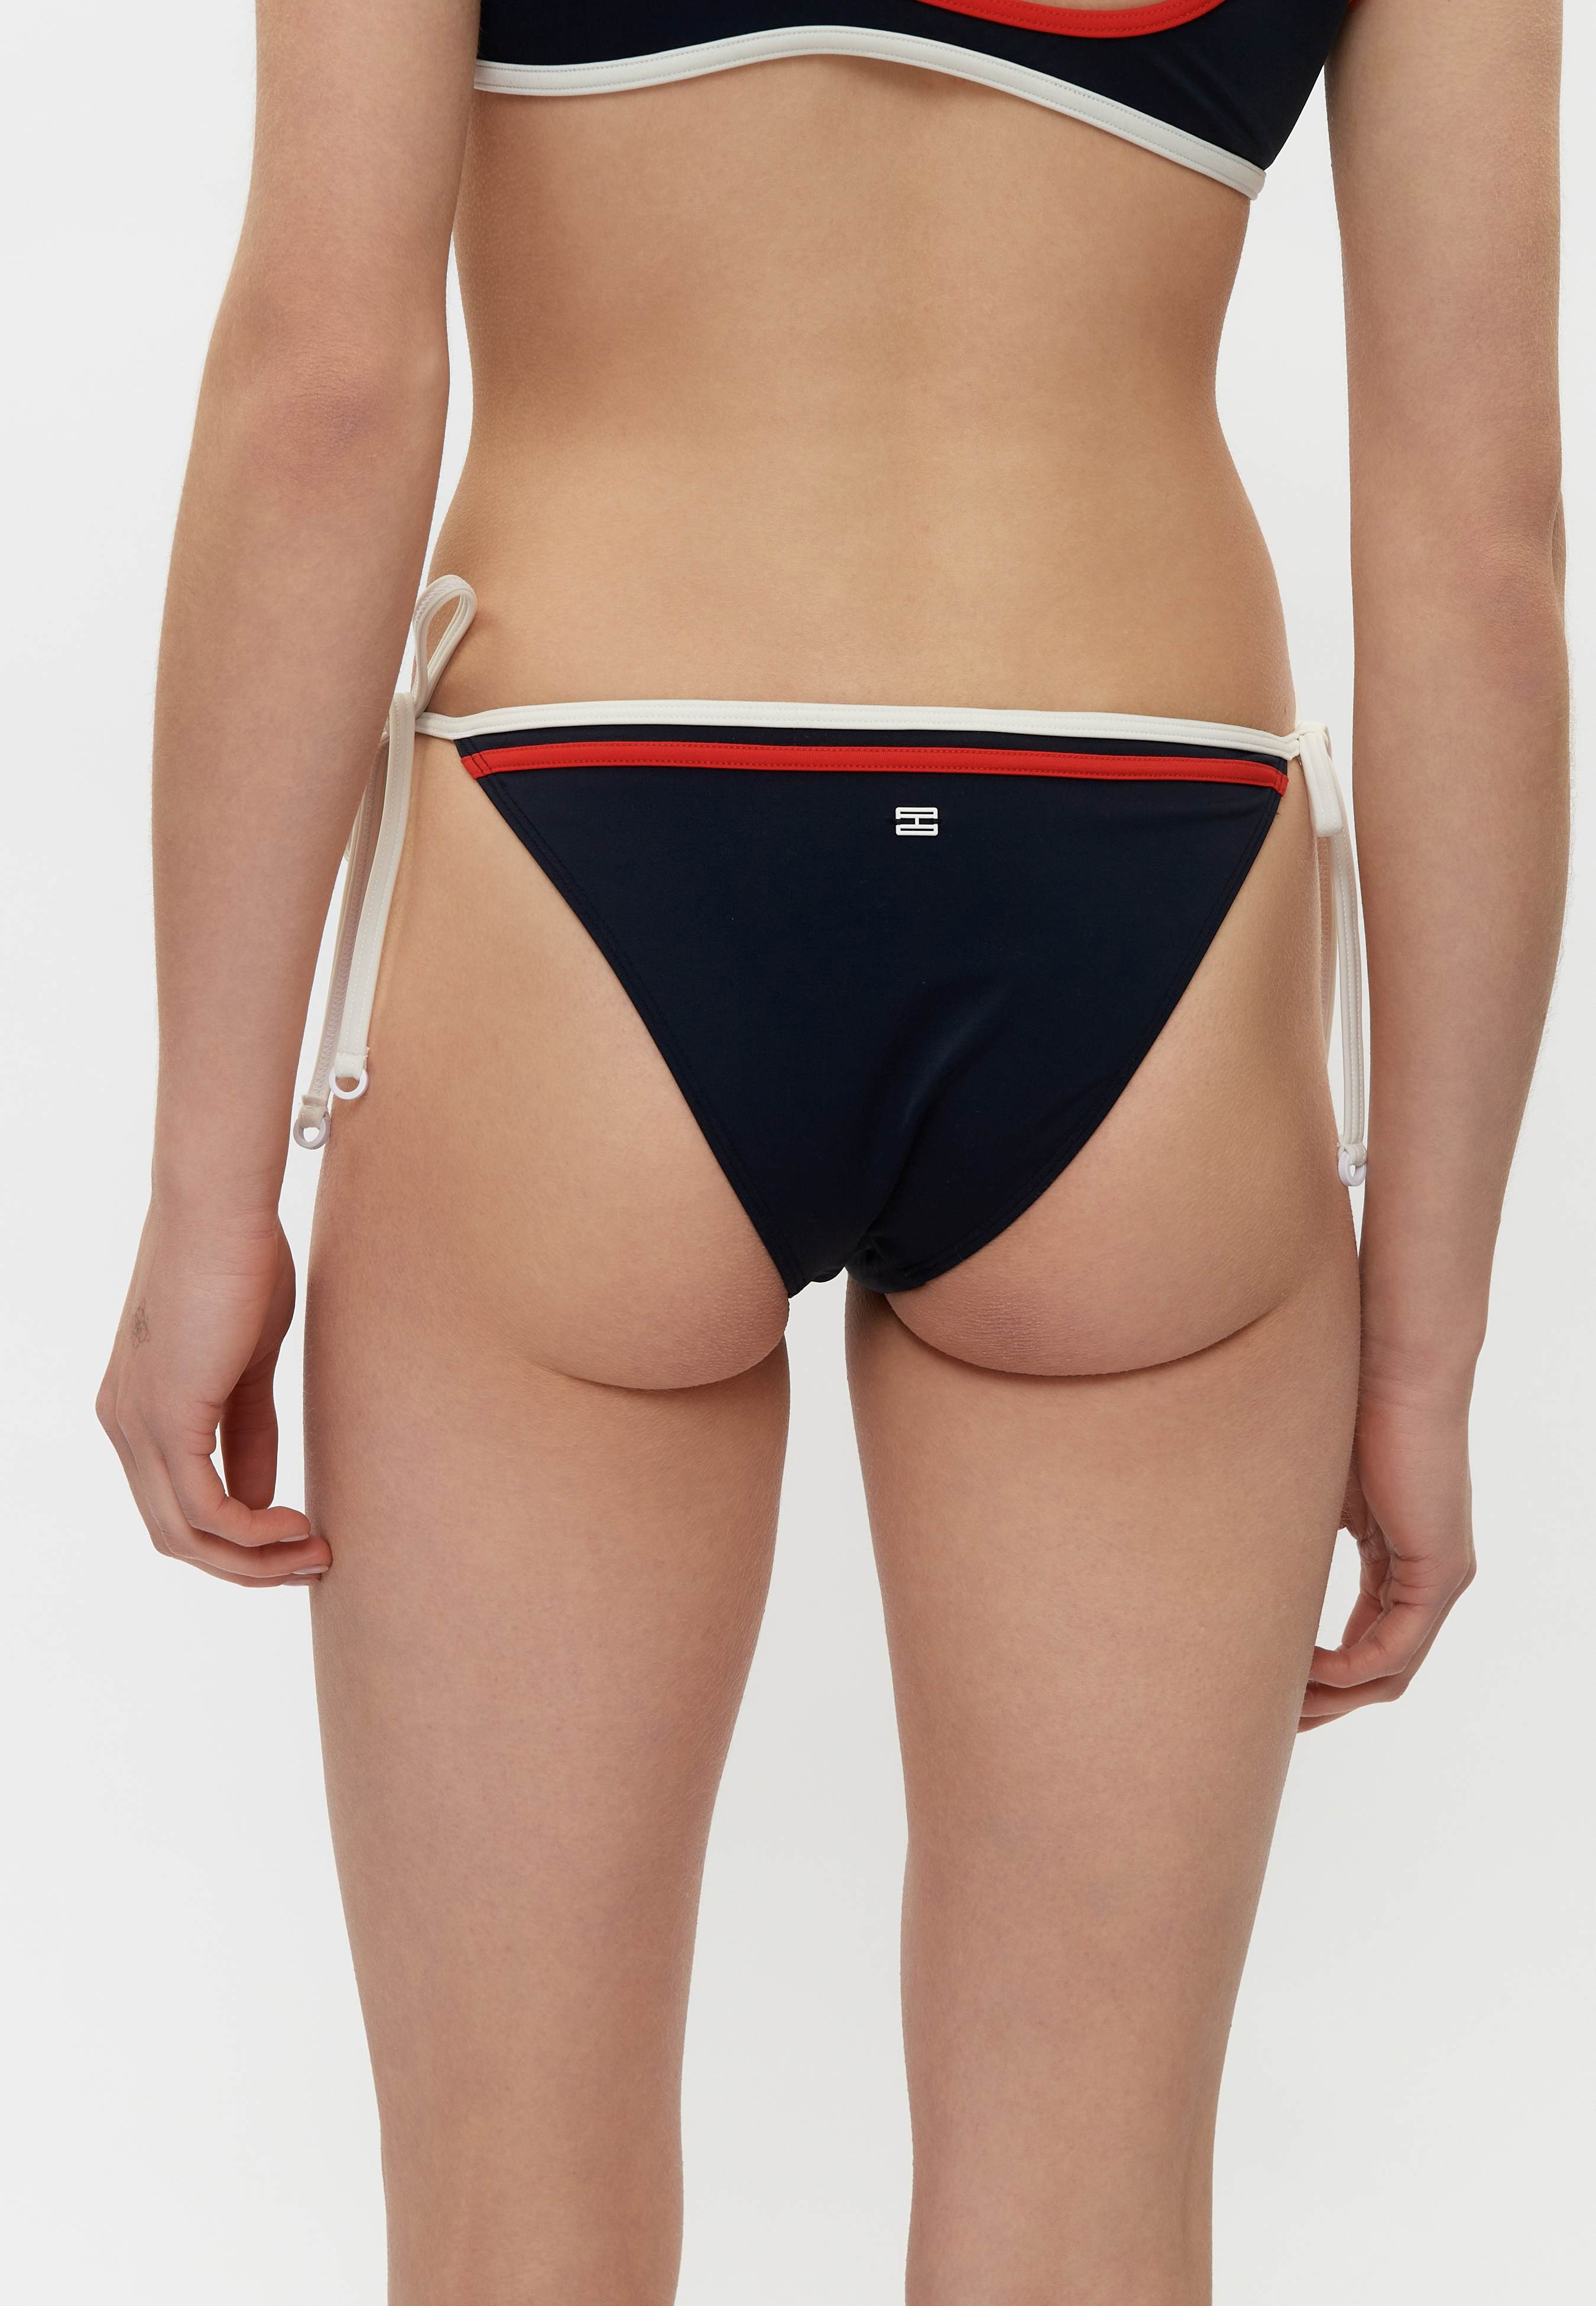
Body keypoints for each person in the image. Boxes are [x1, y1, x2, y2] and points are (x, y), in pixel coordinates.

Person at [97, 2, 1567, 2297]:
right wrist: (1425, 1340)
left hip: (587, 842)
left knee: (510, 2220)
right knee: (1088, 2224)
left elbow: (327, 385)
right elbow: (1479, 550)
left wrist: (210, 1184)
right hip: (1142, 860)